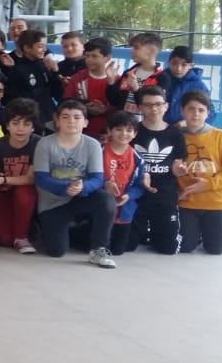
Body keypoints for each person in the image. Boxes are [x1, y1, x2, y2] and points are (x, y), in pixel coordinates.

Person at [33, 100, 117, 267]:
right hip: (53, 203)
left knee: (106, 200)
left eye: (77, 117)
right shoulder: (45, 143)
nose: (71, 121)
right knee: (57, 251)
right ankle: (47, 228)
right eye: (66, 117)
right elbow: (41, 178)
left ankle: (99, 249)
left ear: (85, 122)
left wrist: (82, 187)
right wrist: (66, 187)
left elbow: (97, 179)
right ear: (57, 121)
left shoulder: (92, 144)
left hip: (80, 197)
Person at [177, 92, 222, 254]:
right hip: (187, 203)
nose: (196, 114)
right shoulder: (176, 136)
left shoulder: (220, 136)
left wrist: (209, 184)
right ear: (182, 111)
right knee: (185, 246)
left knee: (216, 249)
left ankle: (205, 232)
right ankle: (195, 233)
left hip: (217, 202)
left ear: (208, 113)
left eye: (201, 110)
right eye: (191, 109)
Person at [130, 86, 186, 255]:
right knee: (127, 245)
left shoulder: (175, 133)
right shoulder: (133, 131)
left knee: (167, 248)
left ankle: (160, 231)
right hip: (137, 193)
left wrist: (178, 170)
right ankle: (144, 231)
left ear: (166, 106)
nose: (153, 109)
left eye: (158, 104)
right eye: (148, 105)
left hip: (164, 194)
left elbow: (177, 161)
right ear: (140, 107)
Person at [0, 99, 40, 253]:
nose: (20, 129)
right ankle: (27, 228)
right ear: (7, 125)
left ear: (33, 127)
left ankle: (22, 236)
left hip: (25, 190)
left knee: (24, 194)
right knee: (5, 240)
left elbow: (30, 178)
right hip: (2, 190)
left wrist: (4, 179)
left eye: (26, 124)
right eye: (15, 123)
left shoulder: (38, 144)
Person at [102, 110, 147, 256]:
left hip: (125, 210)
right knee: (97, 246)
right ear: (110, 131)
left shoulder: (138, 158)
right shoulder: (99, 151)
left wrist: (128, 196)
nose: (124, 133)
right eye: (119, 129)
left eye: (129, 130)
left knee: (119, 250)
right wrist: (105, 184)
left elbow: (139, 187)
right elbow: (89, 177)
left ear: (135, 133)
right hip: (102, 208)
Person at [62, 36, 117, 138]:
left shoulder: (117, 79)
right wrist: (85, 108)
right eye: (87, 56)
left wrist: (106, 109)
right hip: (81, 133)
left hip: (109, 135)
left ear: (107, 58)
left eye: (94, 56)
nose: (89, 60)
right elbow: (66, 103)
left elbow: (122, 107)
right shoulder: (77, 78)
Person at [163, 46, 213, 125]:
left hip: (189, 129)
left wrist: (187, 122)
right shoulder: (160, 80)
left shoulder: (199, 86)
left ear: (191, 66)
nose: (178, 68)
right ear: (168, 63)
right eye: (174, 63)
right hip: (161, 128)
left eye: (184, 64)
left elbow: (210, 114)